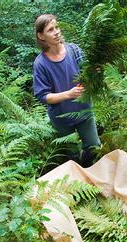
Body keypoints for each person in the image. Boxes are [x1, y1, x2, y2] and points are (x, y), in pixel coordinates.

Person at [33, 14, 101, 167]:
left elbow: (87, 74)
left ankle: (90, 176)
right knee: (72, 158)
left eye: (57, 27)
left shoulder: (74, 51)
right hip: (61, 118)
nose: (56, 31)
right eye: (51, 30)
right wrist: (68, 94)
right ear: (41, 36)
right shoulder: (40, 64)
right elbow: (43, 96)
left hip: (84, 111)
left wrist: (95, 71)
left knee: (94, 148)